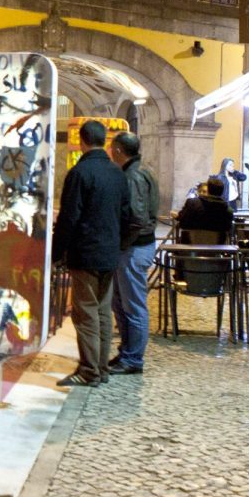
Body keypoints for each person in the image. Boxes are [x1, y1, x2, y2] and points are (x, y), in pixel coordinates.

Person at [52, 119, 128, 388]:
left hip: (85, 253)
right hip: (110, 253)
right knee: (103, 311)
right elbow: (127, 214)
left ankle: (89, 370)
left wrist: (56, 252)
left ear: (82, 140)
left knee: (85, 313)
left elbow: (69, 218)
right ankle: (102, 367)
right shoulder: (118, 173)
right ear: (105, 141)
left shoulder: (79, 173)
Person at [108, 131, 161, 376]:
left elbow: (137, 218)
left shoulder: (133, 176)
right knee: (122, 302)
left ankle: (133, 358)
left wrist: (121, 244)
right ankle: (127, 352)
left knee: (133, 305)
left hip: (134, 248)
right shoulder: (142, 170)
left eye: (112, 148)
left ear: (119, 150)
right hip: (135, 246)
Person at [176, 176, 235, 244]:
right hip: (217, 249)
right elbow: (228, 228)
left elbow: (183, 223)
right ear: (222, 192)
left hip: (190, 247)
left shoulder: (191, 203)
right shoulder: (227, 210)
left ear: (208, 190)